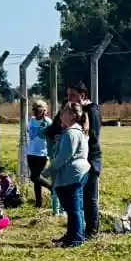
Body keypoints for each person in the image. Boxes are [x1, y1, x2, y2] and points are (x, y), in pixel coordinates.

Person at [57, 80, 102, 238]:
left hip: (89, 161)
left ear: (82, 95)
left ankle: (91, 231)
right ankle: (75, 232)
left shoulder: (91, 111)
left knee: (89, 199)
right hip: (76, 161)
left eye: (73, 95)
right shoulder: (72, 110)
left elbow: (94, 137)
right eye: (68, 95)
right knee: (74, 200)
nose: (69, 98)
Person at [46, 102, 89, 248]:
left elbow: (64, 156)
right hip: (78, 172)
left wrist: (50, 170)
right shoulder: (73, 131)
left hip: (72, 173)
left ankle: (76, 238)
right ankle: (72, 235)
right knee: (73, 208)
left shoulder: (71, 133)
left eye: (63, 111)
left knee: (73, 208)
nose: (60, 114)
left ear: (71, 115)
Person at [25, 99, 51, 208]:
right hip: (31, 153)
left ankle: (51, 187)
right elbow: (28, 131)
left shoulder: (48, 122)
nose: (36, 111)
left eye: (38, 109)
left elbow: (51, 135)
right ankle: (38, 203)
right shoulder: (31, 121)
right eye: (34, 109)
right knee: (36, 180)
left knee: (34, 177)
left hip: (42, 154)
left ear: (44, 110)